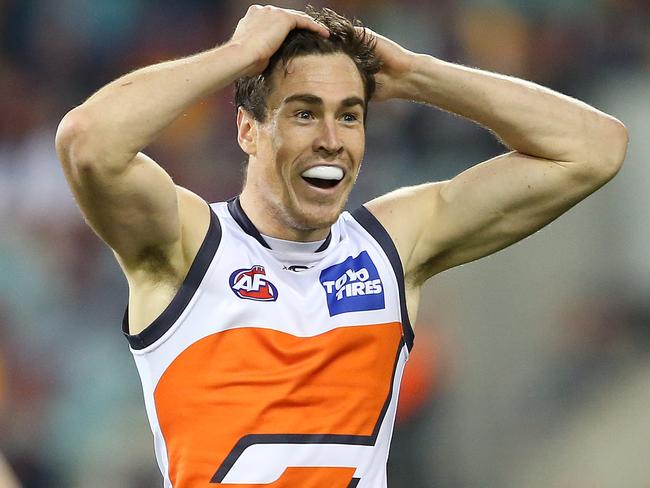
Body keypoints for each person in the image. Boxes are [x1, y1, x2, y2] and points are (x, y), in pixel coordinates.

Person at [54, 4, 628, 487]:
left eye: (349, 116)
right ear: (248, 130)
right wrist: (236, 57)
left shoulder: (390, 247)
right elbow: (87, 142)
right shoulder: (185, 247)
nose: (331, 140)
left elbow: (595, 148)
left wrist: (415, 74)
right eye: (304, 113)